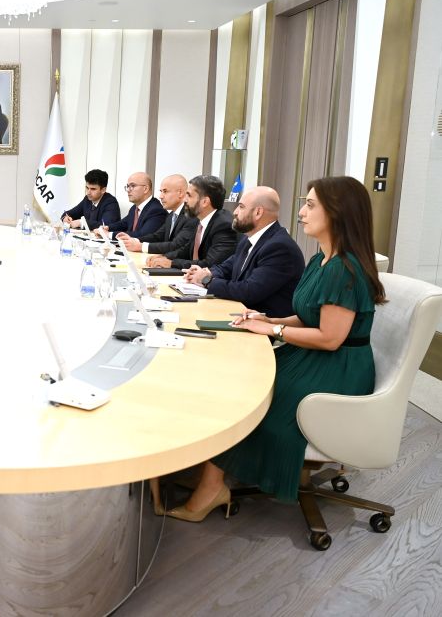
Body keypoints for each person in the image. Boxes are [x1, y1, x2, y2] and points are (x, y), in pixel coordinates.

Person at [166, 176, 385, 522]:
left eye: (310, 205)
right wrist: (268, 318)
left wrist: (274, 329)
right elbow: (309, 315)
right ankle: (212, 472)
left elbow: (330, 337)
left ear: (338, 213)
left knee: (247, 397)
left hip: (335, 368)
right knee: (238, 383)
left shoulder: (343, 270)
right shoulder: (322, 260)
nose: (301, 213)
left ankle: (212, 486)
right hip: (316, 355)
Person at [182, 186, 305, 318]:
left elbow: (249, 291)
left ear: (258, 212)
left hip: (264, 324)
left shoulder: (279, 247)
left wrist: (206, 280)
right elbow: (227, 267)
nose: (235, 212)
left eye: (241, 207)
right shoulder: (249, 239)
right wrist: (205, 273)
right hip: (242, 314)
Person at [146, 174, 237, 269]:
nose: (185, 200)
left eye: (189, 195)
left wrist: (172, 263)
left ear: (205, 202)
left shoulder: (223, 225)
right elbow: (186, 250)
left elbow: (210, 264)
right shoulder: (200, 220)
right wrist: (164, 257)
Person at [118, 174, 197, 255]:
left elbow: (176, 245)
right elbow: (157, 236)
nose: (161, 196)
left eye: (165, 191)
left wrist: (141, 246)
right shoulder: (171, 215)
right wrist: (134, 240)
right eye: (161, 191)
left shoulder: (191, 215)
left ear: (180, 193)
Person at [101, 172, 165, 239]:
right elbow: (124, 223)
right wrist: (107, 228)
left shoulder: (156, 210)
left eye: (133, 186)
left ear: (145, 189)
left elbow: (143, 235)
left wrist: (110, 235)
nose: (128, 190)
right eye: (128, 186)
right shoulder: (134, 208)